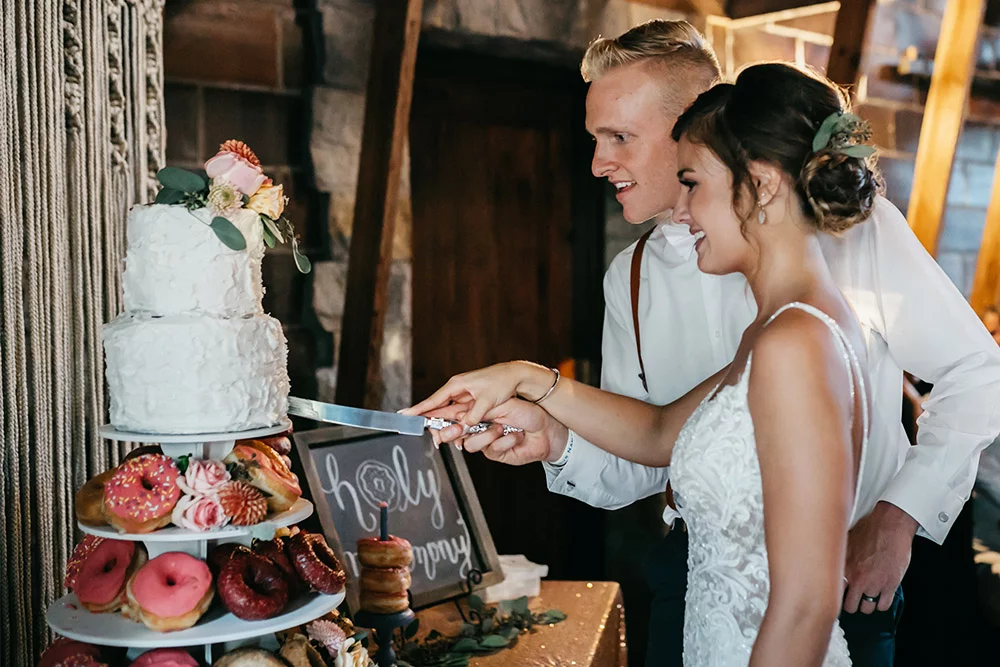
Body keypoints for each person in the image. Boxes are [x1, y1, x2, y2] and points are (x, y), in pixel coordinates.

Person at [415, 21, 1000, 667]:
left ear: (697, 132)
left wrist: (897, 517)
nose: (597, 163)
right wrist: (550, 433)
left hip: (838, 587)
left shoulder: (841, 251)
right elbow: (664, 440)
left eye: (620, 138)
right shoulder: (637, 280)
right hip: (697, 578)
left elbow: (978, 370)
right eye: (595, 138)